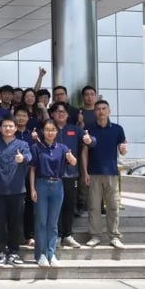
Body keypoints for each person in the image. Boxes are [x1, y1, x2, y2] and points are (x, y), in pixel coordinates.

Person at [29, 119, 77, 267]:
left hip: (57, 185)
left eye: (53, 130)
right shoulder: (36, 147)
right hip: (41, 184)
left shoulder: (62, 147)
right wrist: (32, 188)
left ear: (57, 132)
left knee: (53, 223)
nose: (50, 132)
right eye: (47, 129)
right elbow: (32, 169)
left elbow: (74, 162)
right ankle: (41, 254)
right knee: (41, 222)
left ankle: (51, 253)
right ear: (43, 131)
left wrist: (71, 158)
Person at [0, 115, 33, 266]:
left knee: (16, 223)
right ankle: (0, 252)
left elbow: (29, 157)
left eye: (11, 126)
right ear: (0, 128)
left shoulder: (23, 144)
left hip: (17, 190)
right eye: (5, 126)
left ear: (15, 128)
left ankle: (14, 252)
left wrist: (22, 159)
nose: (8, 128)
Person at [49, 101, 94, 248]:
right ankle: (54, 235)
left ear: (68, 115)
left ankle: (67, 235)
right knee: (54, 207)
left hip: (70, 175)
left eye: (63, 112)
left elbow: (91, 141)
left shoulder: (74, 130)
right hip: (52, 175)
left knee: (69, 206)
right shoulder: (48, 130)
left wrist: (90, 140)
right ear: (52, 114)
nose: (61, 114)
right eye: (57, 111)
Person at [83, 100, 127, 249]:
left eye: (104, 108)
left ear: (109, 111)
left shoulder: (117, 129)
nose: (101, 111)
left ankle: (114, 236)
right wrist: (85, 172)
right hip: (94, 173)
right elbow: (85, 152)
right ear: (95, 112)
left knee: (113, 206)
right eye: (98, 109)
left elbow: (123, 150)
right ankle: (95, 236)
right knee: (94, 207)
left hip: (112, 173)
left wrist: (123, 149)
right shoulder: (88, 129)